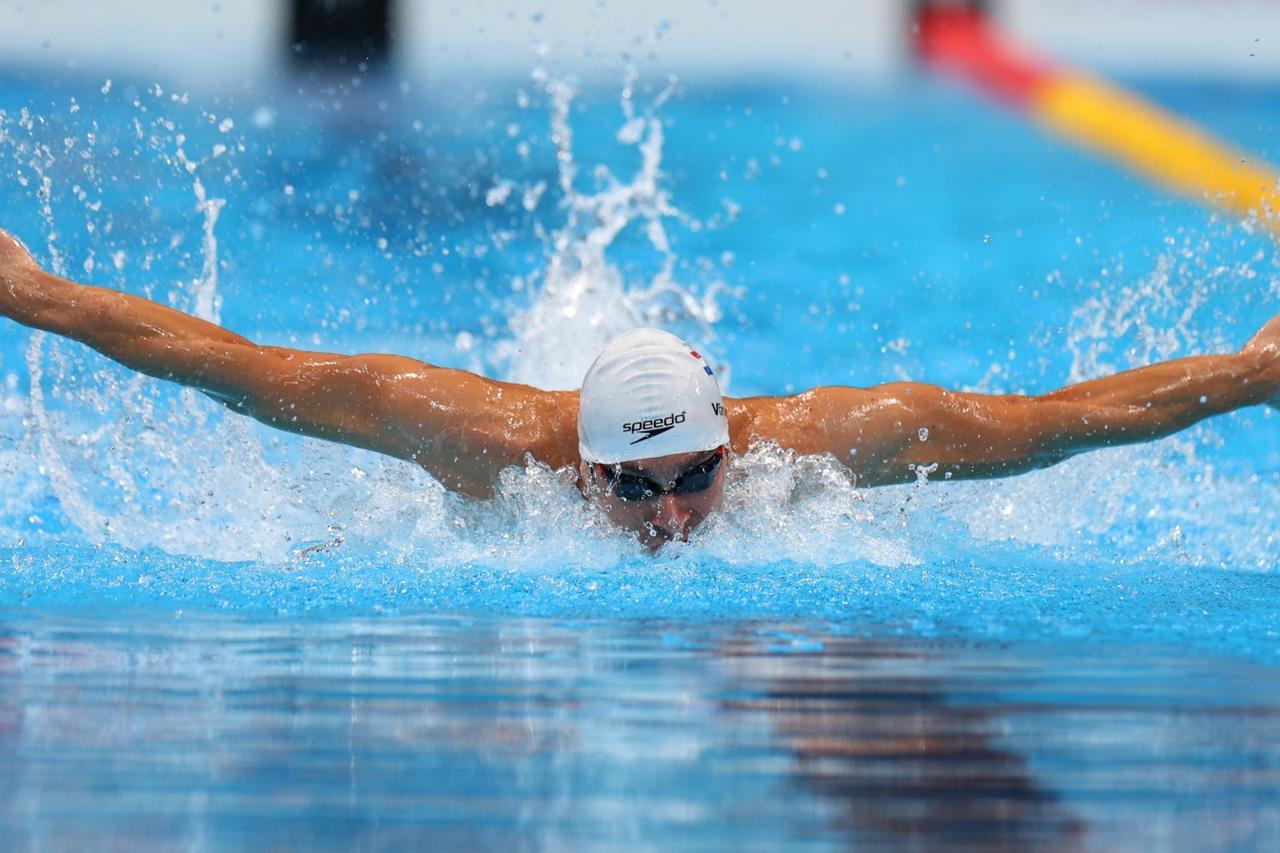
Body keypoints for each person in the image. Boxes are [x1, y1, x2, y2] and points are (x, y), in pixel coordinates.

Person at [2, 226, 1277, 548]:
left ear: (730, 441)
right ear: (579, 463)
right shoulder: (487, 443)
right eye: (632, 487)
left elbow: (1055, 426)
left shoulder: (824, 443)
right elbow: (240, 370)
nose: (670, 515)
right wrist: (38, 296)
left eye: (692, 476)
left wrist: (1251, 376)